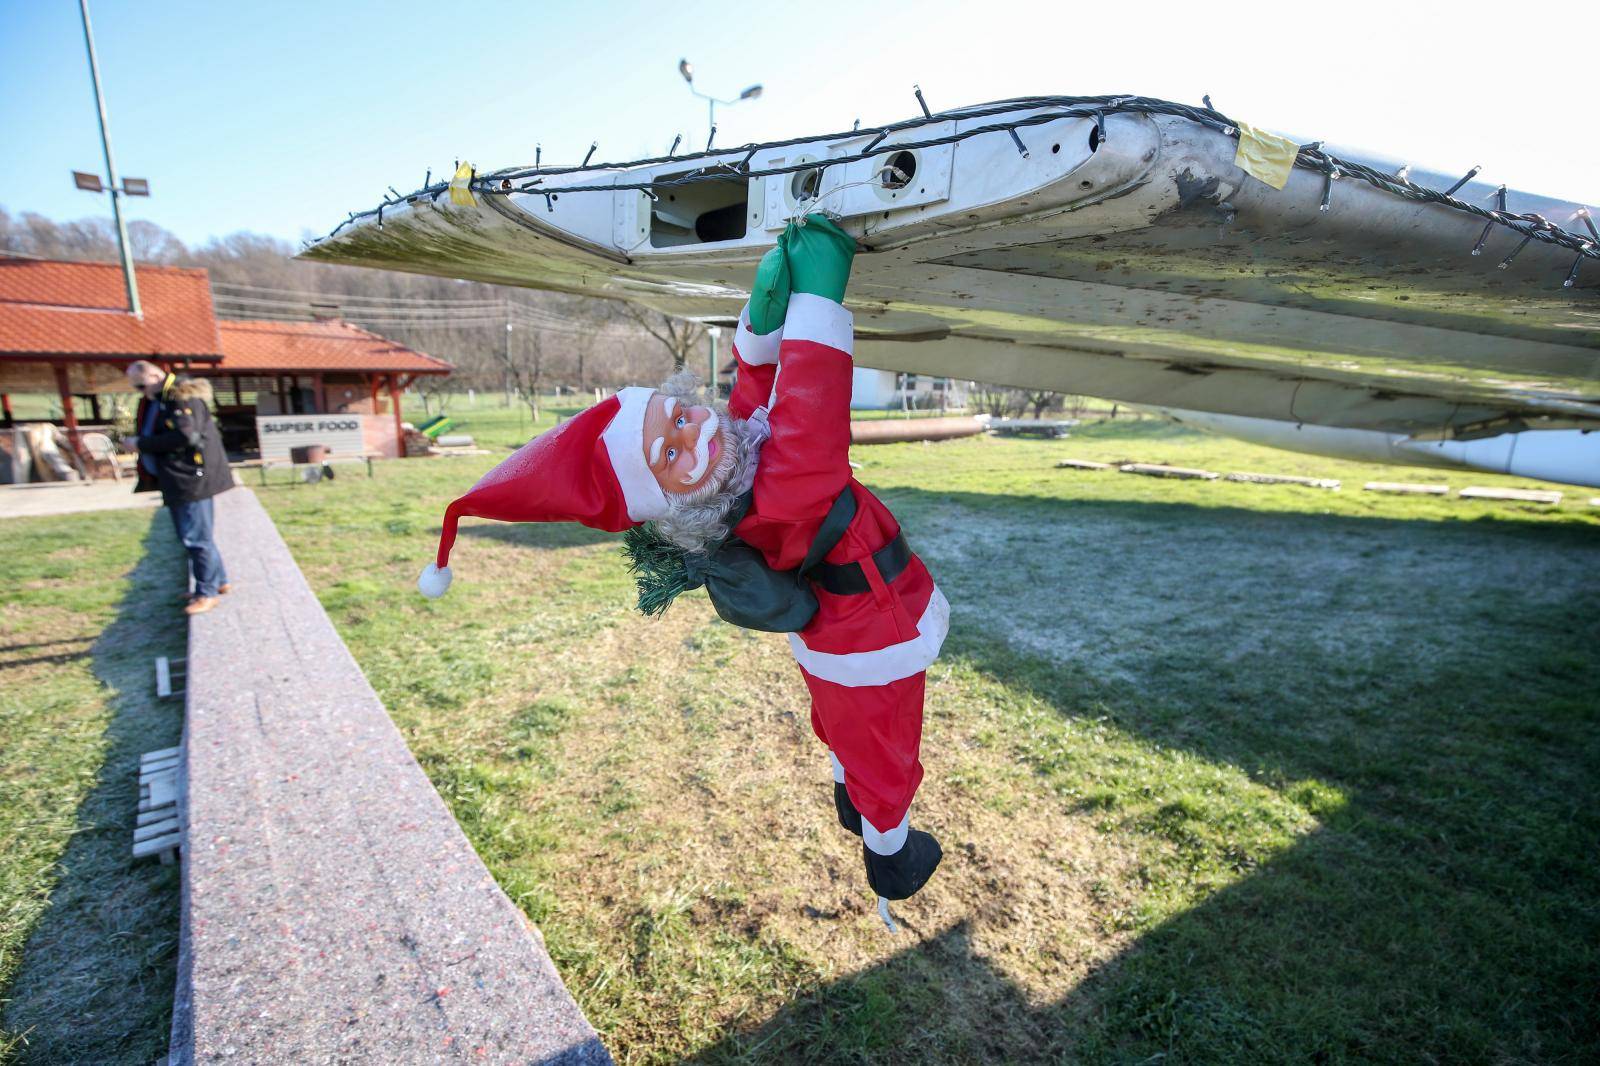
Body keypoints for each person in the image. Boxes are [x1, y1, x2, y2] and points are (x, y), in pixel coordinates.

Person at [416, 216, 947, 912]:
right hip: (873, 631)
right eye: (669, 454)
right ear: (666, 501)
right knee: (886, 739)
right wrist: (818, 296)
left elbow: (757, 396)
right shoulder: (778, 488)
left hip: (849, 630)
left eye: (678, 418)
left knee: (845, 725)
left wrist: (759, 325)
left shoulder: (739, 457)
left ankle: (853, 797)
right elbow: (811, 411)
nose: (692, 437)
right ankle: (892, 852)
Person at [127, 361, 235, 615]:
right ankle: (217, 581)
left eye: (142, 385)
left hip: (189, 477)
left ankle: (206, 592)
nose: (142, 392)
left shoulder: (179, 398)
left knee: (195, 536)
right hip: (180, 477)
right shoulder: (163, 398)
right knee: (199, 534)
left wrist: (142, 443)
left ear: (154, 375)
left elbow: (186, 437)